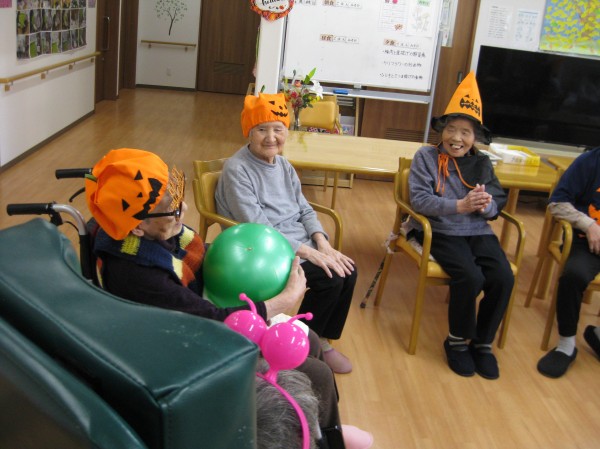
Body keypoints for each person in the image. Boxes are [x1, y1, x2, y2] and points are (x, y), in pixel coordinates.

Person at [85, 148, 372, 449]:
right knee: (319, 374)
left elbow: (201, 264)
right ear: (137, 226)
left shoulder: (144, 230)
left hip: (197, 317)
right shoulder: (140, 274)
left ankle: (317, 426)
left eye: (178, 196)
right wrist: (283, 301)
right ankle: (326, 438)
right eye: (173, 209)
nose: (183, 208)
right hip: (189, 348)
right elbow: (208, 321)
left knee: (310, 340)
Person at [215, 93, 357, 375]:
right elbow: (257, 225)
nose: (271, 138)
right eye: (262, 129)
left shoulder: (284, 166)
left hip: (296, 242)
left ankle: (319, 340)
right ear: (249, 132)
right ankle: (302, 348)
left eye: (278, 129)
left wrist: (322, 243)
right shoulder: (237, 169)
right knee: (329, 278)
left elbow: (304, 209)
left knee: (348, 271)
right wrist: (309, 253)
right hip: (262, 248)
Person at [405, 72, 514, 379]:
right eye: (451, 129)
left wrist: (485, 205)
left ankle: (482, 342)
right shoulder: (426, 156)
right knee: (470, 276)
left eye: (465, 132)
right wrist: (460, 205)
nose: (457, 138)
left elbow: (495, 204)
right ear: (442, 131)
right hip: (441, 230)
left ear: (474, 138)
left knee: (503, 277)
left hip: (477, 231)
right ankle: (456, 341)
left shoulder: (482, 162)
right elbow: (420, 201)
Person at [537, 146, 600, 378]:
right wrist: (589, 225)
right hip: (586, 241)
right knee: (574, 275)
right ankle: (566, 345)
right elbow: (557, 203)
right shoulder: (589, 161)